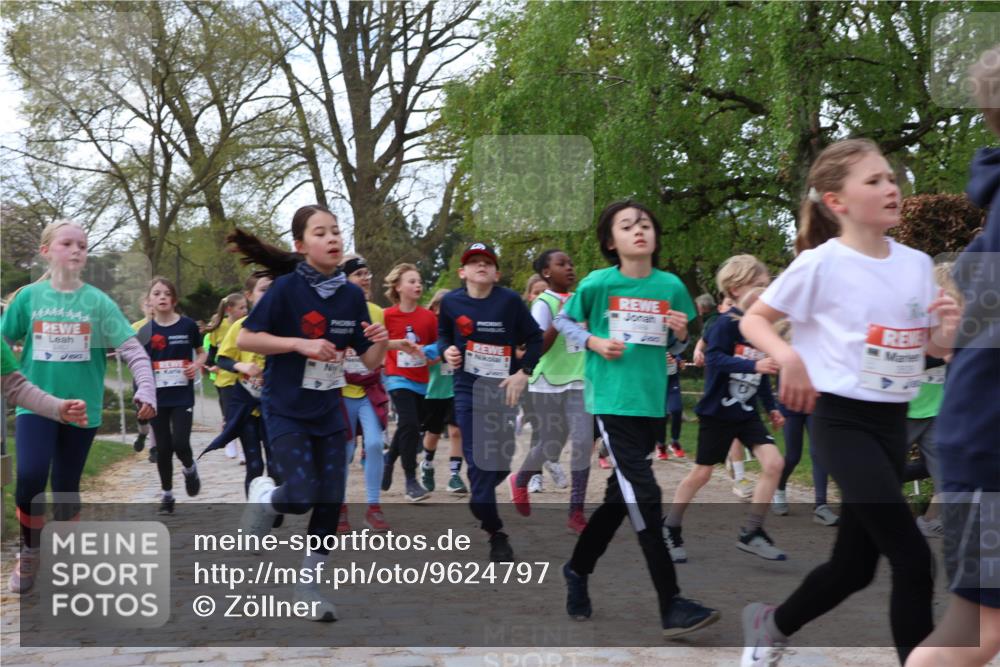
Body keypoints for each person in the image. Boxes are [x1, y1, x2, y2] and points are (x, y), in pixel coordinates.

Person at [738, 138, 960, 666]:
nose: (891, 188)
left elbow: (928, 347)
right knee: (912, 557)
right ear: (836, 201)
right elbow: (753, 320)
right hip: (842, 422)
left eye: (891, 178)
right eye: (875, 181)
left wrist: (946, 330)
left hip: (892, 424)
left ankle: (771, 625)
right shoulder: (821, 264)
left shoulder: (915, 263)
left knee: (854, 569)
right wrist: (788, 357)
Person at [555, 199, 718, 637]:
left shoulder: (670, 285)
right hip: (612, 403)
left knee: (618, 499)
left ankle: (576, 569)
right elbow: (564, 319)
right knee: (644, 495)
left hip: (650, 404)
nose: (638, 231)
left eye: (644, 224)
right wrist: (591, 341)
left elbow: (676, 342)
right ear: (612, 241)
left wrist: (681, 334)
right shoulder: (598, 283)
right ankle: (672, 603)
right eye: (627, 226)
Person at [229, 207, 388, 622]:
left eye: (336, 231)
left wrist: (381, 342)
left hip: (328, 410)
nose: (333, 238)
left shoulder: (351, 295)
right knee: (299, 497)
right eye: (321, 233)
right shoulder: (284, 289)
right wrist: (299, 345)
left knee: (329, 501)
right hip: (286, 409)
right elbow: (247, 336)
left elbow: (369, 362)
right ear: (301, 246)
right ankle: (265, 496)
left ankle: (308, 586)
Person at [905, 48, 1000, 667]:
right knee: (980, 634)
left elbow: (959, 332)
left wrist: (950, 328)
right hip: (990, 444)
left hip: (978, 435)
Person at [3, 220, 157, 594]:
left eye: (83, 246)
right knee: (31, 478)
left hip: (82, 409)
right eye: (67, 243)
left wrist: (147, 389)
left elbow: (132, 349)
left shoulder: (97, 302)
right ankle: (29, 550)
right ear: (46, 251)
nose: (76, 251)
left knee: (66, 485)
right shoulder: (28, 299)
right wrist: (16, 355)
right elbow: (3, 340)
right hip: (34, 405)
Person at [663, 257, 787, 564]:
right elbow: (714, 358)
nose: (766, 290)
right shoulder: (724, 325)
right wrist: (753, 364)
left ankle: (752, 532)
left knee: (774, 464)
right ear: (735, 288)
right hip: (717, 414)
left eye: (767, 284)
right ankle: (670, 527)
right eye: (759, 285)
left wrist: (771, 407)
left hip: (746, 414)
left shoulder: (761, 328)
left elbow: (760, 375)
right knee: (702, 474)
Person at [438, 242, 543, 562]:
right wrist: (447, 350)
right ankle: (496, 533)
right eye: (474, 262)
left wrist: (524, 372)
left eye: (487, 262)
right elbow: (443, 335)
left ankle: (485, 494)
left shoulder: (510, 302)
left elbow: (536, 337)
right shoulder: (452, 303)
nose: (481, 266)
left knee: (498, 464)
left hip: (503, 391)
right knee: (480, 464)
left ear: (496, 273)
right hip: (468, 391)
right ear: (463, 272)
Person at [509, 249, 593, 535]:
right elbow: (538, 347)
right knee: (551, 444)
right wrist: (561, 321)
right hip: (548, 381)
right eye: (561, 264)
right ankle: (521, 480)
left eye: (571, 263)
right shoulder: (543, 303)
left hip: (580, 380)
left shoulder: (582, 299)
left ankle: (576, 512)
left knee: (582, 442)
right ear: (547, 272)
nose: (569, 268)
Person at [137, 277, 206, 514]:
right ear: (150, 301)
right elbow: (139, 365)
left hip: (181, 395)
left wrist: (196, 366)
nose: (162, 297)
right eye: (157, 293)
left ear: (174, 300)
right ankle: (167, 495)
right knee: (163, 448)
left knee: (180, 443)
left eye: (167, 293)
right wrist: (141, 398)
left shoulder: (187, 326)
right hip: (157, 398)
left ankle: (189, 468)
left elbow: (202, 352)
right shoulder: (145, 331)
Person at [339, 254, 390, 532]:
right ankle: (340, 507)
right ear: (345, 280)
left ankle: (373, 507)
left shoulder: (377, 311)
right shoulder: (334, 309)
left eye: (367, 273)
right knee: (345, 451)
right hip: (341, 390)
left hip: (369, 388)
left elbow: (380, 347)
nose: (365, 278)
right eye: (358, 274)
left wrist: (393, 345)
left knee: (373, 445)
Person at [380, 263, 438, 502]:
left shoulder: (428, 318)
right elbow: (378, 344)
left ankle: (388, 460)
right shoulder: (387, 316)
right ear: (398, 287)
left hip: (421, 380)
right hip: (396, 377)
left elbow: (437, 348)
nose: (418, 285)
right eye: (412, 281)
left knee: (409, 425)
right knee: (410, 424)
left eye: (419, 281)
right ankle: (411, 481)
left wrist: (428, 353)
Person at [420, 289, 468, 495]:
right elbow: (423, 359)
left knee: (457, 431)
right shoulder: (432, 331)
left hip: (456, 389)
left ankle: (454, 476)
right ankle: (427, 464)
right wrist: (444, 352)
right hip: (434, 391)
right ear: (434, 309)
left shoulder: (461, 329)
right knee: (434, 433)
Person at [204, 293, 248, 461]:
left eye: (246, 307)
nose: (245, 311)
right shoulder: (218, 327)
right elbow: (213, 353)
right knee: (230, 414)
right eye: (241, 308)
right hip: (224, 379)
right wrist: (212, 365)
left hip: (243, 377)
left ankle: (245, 449)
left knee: (243, 414)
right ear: (229, 309)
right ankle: (230, 440)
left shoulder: (247, 324)